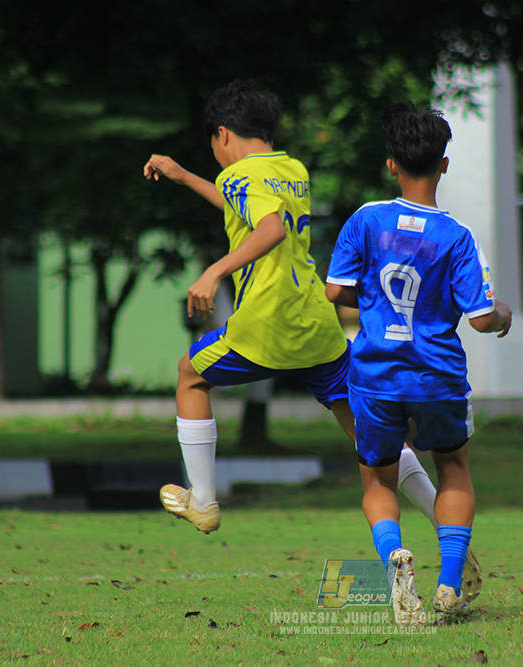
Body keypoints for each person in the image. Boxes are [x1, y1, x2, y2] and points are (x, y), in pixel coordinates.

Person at [142, 81, 481, 601]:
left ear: (223, 135)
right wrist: (186, 176)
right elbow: (246, 211)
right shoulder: (291, 169)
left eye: (212, 148)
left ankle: (204, 501)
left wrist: (214, 272)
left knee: (191, 375)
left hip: (264, 327)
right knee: (373, 442)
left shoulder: (237, 175)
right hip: (317, 328)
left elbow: (269, 228)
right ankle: (447, 526)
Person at [325, 103, 512, 625]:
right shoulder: (457, 237)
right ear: (444, 165)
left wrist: (372, 302)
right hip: (437, 376)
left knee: (378, 480)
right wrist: (504, 316)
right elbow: (479, 320)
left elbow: (334, 290)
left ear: (391, 165)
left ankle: (395, 561)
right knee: (452, 467)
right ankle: (449, 584)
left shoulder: (365, 220)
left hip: (376, 376)